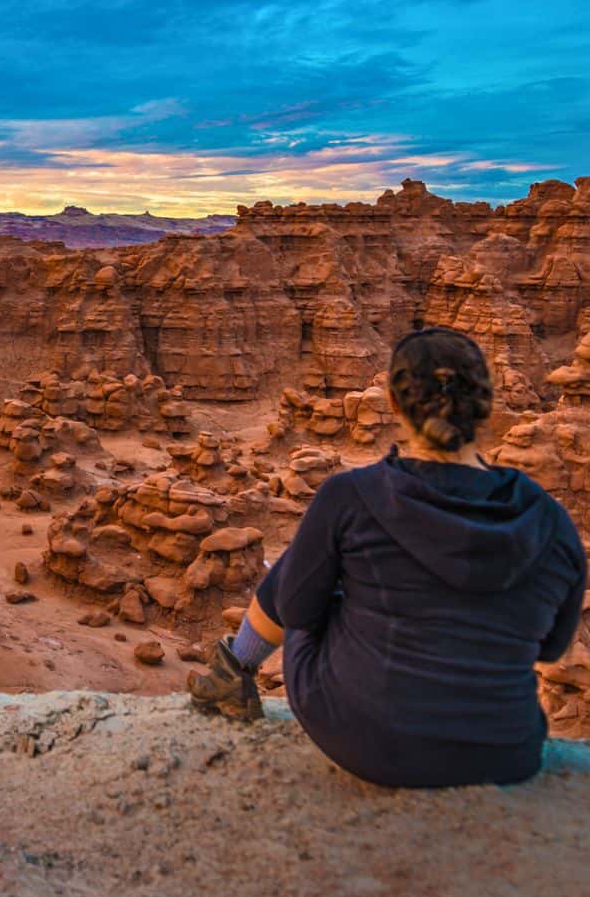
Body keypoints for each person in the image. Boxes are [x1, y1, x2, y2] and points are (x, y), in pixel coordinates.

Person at [187, 326, 587, 788]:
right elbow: (553, 646)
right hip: (505, 751)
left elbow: (297, 611)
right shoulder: (549, 518)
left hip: (366, 741)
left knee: (303, 569)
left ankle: (233, 672)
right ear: (486, 405)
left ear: (394, 405)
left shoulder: (350, 495)